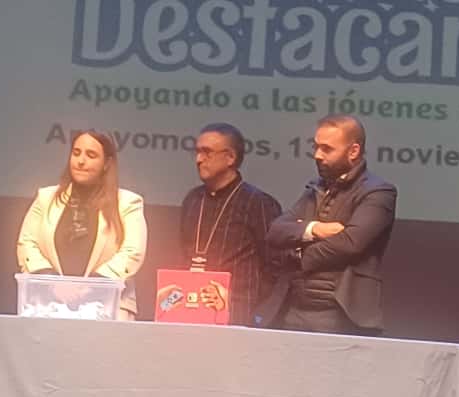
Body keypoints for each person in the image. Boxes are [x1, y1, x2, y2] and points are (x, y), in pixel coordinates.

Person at [261, 114, 397, 335]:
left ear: (353, 151)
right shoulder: (315, 188)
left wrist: (298, 256)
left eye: (327, 149)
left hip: (338, 312)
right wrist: (315, 228)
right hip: (293, 306)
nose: (317, 155)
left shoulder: (378, 192)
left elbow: (350, 243)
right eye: (316, 147)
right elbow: (276, 231)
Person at [17, 130, 147, 321]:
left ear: (107, 163)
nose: (81, 161)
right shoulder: (46, 198)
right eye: (76, 153)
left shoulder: (128, 203)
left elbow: (132, 252)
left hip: (108, 307)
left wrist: (91, 287)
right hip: (49, 306)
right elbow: (27, 243)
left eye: (91, 155)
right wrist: (53, 284)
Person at [177, 123, 283, 325]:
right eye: (197, 152)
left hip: (239, 313)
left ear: (231, 157)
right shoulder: (193, 199)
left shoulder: (258, 202)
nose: (199, 159)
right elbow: (183, 254)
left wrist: (257, 314)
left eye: (207, 152)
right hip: (190, 308)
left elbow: (274, 266)